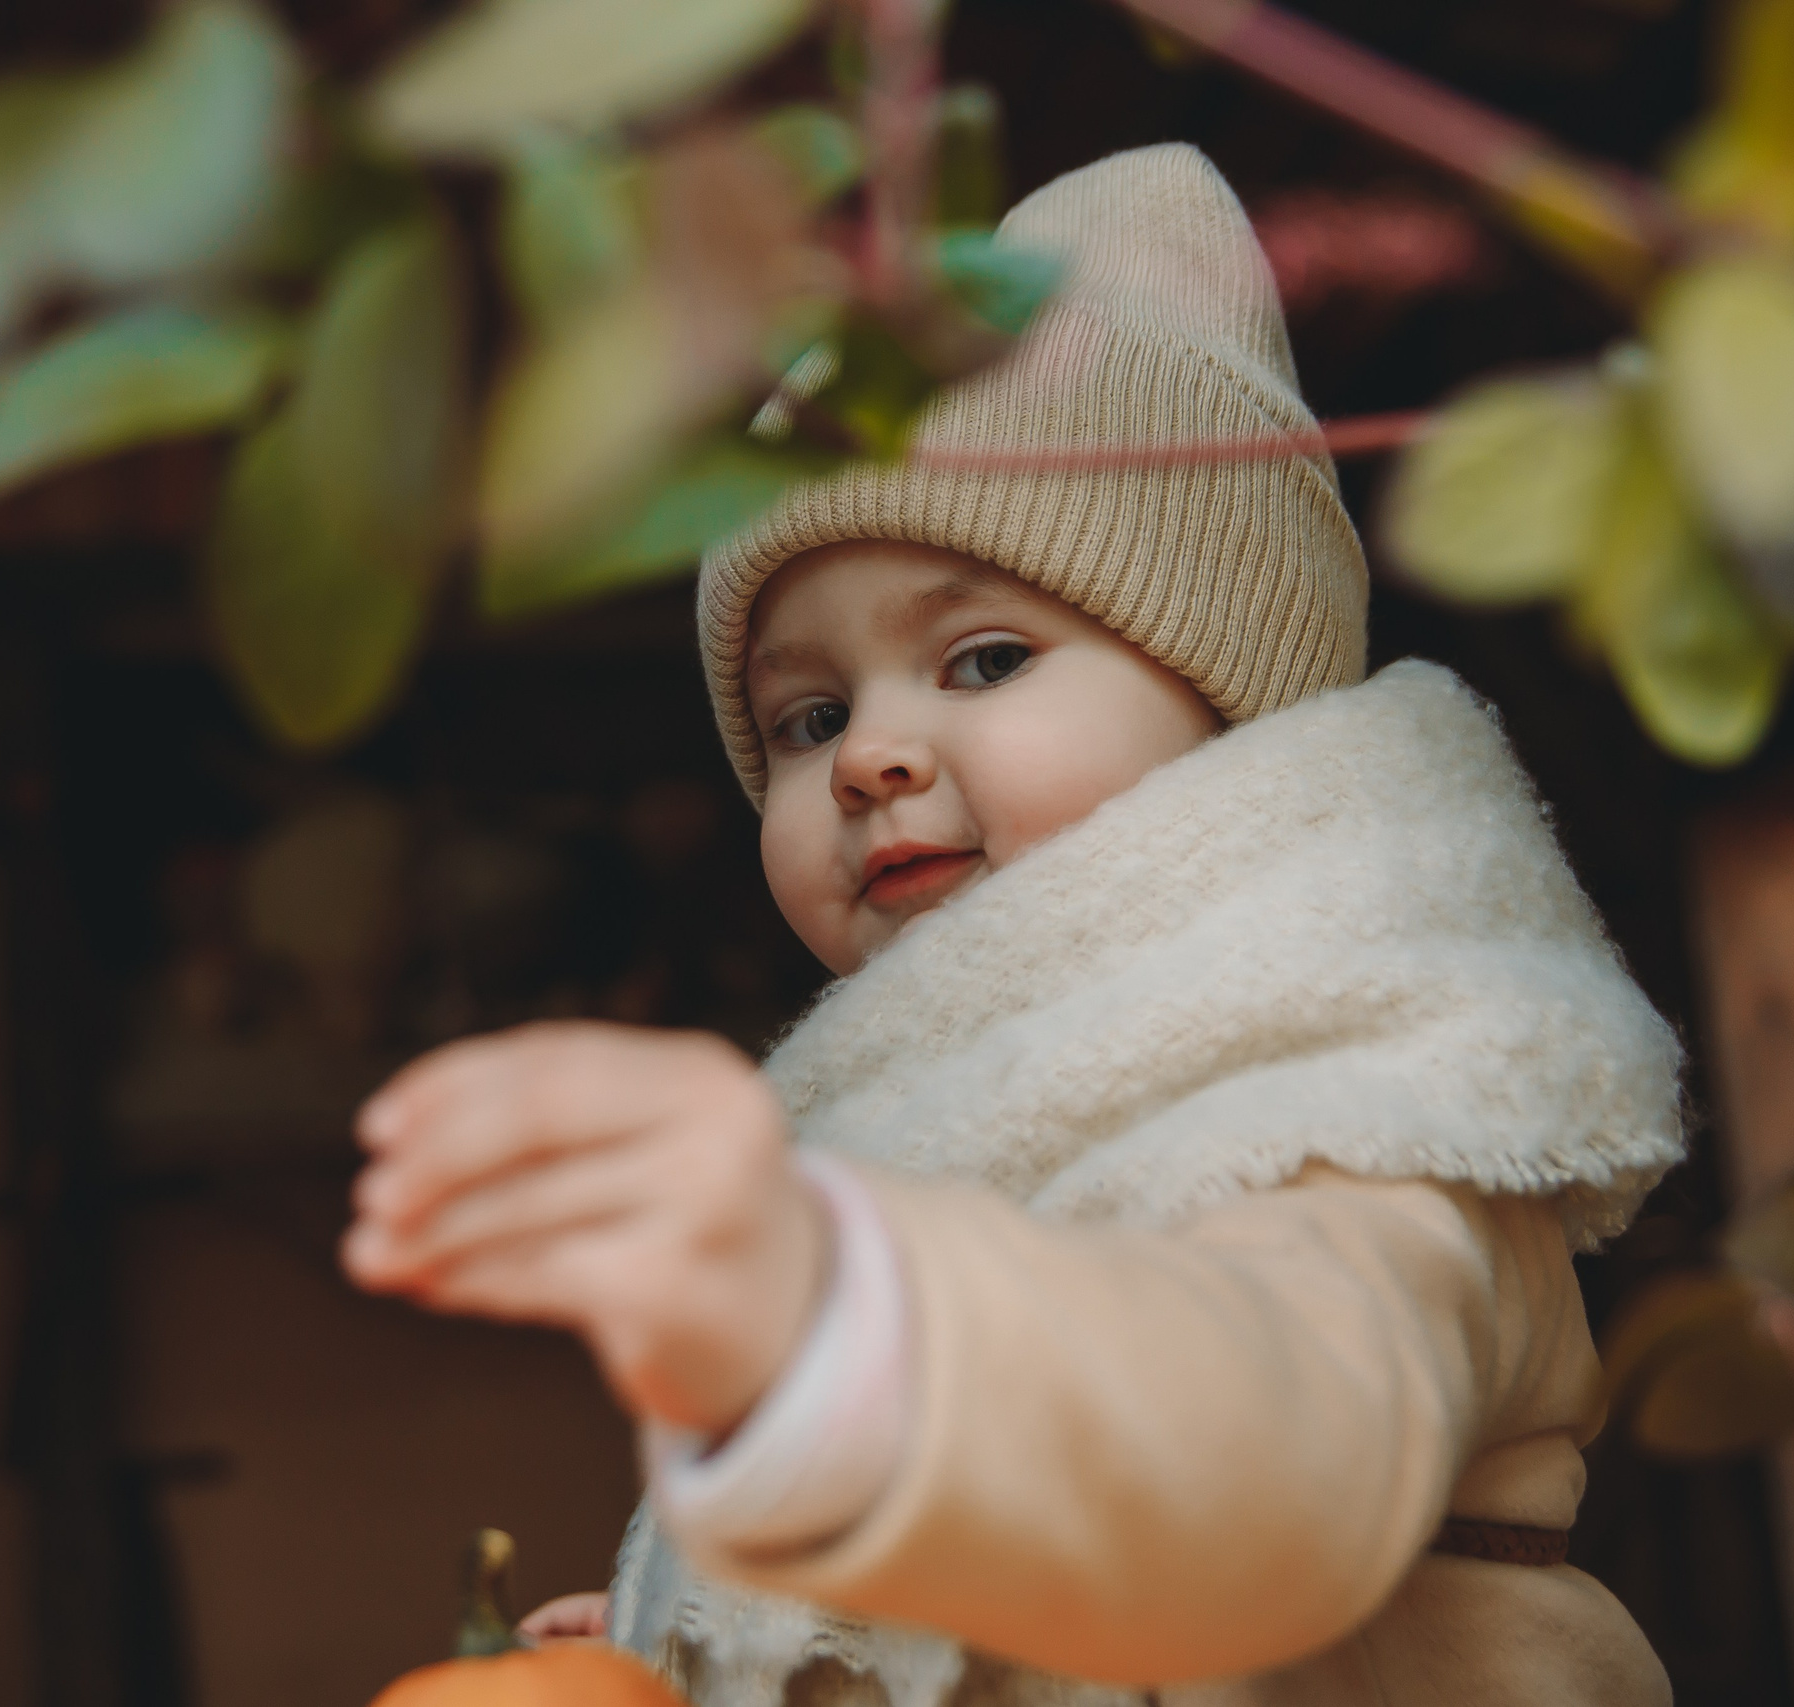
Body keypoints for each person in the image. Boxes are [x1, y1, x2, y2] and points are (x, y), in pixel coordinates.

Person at [341, 143, 1685, 1707]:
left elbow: (1259, 1466)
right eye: (806, 715)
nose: (868, 756)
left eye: (982, 660)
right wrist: (697, 1645)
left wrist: (826, 1316)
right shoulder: (917, 1114)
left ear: (1236, 702)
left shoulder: (1346, 1080)